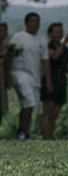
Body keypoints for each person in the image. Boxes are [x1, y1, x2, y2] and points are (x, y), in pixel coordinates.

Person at [9, 12, 50, 140]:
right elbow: (10, 54)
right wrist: (7, 76)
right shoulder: (18, 37)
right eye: (31, 21)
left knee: (30, 106)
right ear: (26, 23)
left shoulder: (41, 39)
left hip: (35, 77)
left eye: (36, 21)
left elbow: (45, 61)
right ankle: (21, 131)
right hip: (20, 73)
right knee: (29, 102)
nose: (34, 23)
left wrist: (49, 80)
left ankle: (25, 133)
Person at [40, 22, 68, 139]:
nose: (59, 34)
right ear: (50, 34)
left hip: (61, 81)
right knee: (48, 112)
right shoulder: (47, 47)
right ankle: (46, 137)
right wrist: (64, 42)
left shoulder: (65, 49)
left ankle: (50, 136)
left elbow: (62, 64)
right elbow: (54, 56)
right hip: (50, 79)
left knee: (55, 114)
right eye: (56, 31)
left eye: (60, 32)